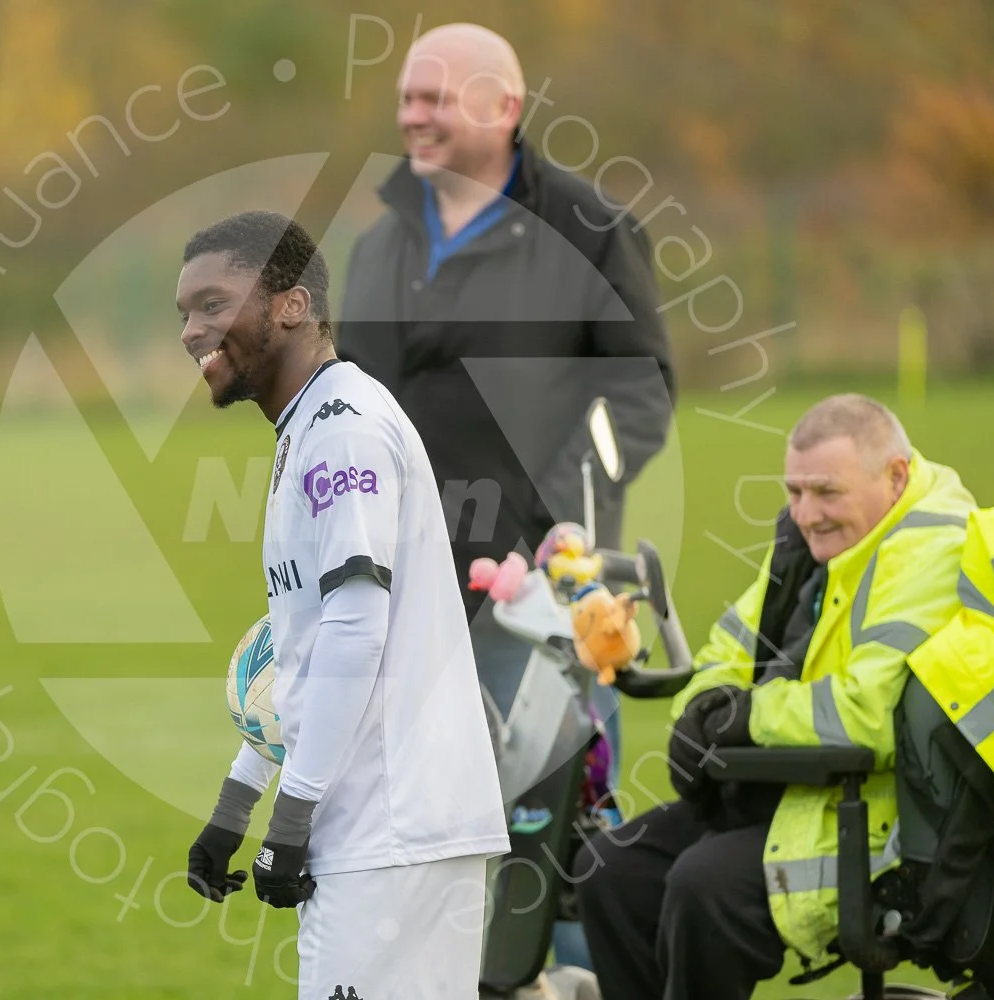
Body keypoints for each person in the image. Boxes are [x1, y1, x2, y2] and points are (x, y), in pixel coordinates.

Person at [335, 21, 676, 970]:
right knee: (403, 838)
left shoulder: (591, 230)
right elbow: (355, 409)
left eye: (436, 98)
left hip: (538, 596)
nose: (414, 115)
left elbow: (639, 390)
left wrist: (558, 519)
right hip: (399, 593)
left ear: (505, 107)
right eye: (407, 97)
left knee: (553, 841)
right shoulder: (379, 244)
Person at [177, 210, 511, 999]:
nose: (192, 331)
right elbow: (304, 652)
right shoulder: (312, 427)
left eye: (213, 304)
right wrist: (237, 801)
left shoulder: (343, 431)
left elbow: (356, 634)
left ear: (291, 305)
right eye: (184, 313)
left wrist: (288, 816)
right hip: (391, 827)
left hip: (387, 827)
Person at [573, 394, 978, 1000]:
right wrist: (705, 712)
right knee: (609, 869)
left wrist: (745, 718)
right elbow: (727, 653)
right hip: (789, 794)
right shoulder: (816, 541)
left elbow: (868, 715)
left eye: (826, 492)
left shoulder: (933, 550)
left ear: (895, 477)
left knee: (701, 888)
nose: (807, 513)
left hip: (880, 821)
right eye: (794, 491)